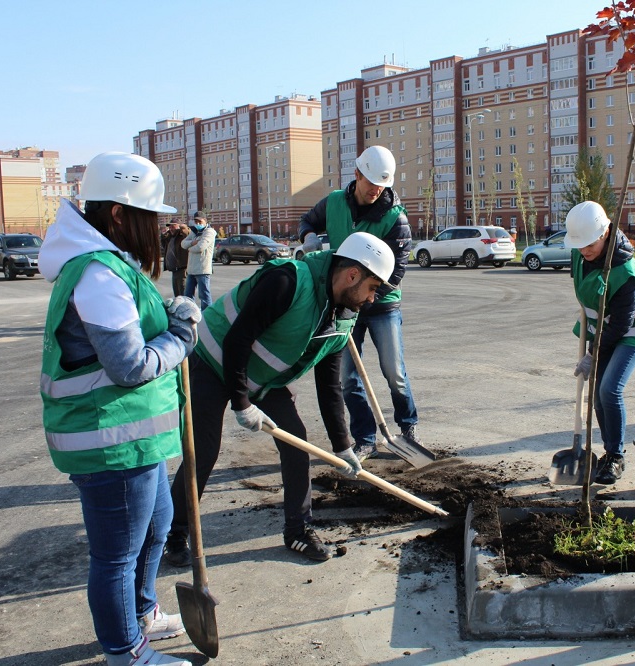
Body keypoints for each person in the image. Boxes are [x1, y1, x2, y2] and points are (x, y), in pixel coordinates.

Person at [38, 152, 199, 666]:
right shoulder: (97, 274)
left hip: (134, 437)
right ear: (117, 214)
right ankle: (127, 653)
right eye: (151, 218)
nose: (158, 229)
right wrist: (182, 334)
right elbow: (130, 366)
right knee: (115, 555)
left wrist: (169, 313)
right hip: (108, 441)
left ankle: (142, 614)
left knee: (158, 525)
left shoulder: (110, 263)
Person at [163, 232, 395, 568]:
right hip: (212, 360)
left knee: (296, 441)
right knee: (204, 449)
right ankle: (175, 531)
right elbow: (237, 340)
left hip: (263, 378)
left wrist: (342, 445)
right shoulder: (286, 280)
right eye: (373, 287)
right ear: (352, 275)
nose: (373, 298)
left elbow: (329, 384)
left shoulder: (345, 314)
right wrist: (241, 403)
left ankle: (298, 530)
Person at [298, 145, 421, 461]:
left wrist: (366, 298)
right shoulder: (335, 203)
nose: (376, 191)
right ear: (357, 175)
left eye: (382, 186)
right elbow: (307, 221)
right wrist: (309, 237)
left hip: (383, 306)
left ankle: (408, 430)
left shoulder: (395, 218)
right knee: (346, 377)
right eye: (371, 184)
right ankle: (365, 438)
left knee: (394, 372)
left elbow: (398, 269)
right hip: (344, 306)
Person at [563, 201, 635, 485]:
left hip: (632, 331)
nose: (585, 250)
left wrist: (593, 353)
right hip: (603, 329)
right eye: (580, 245)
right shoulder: (579, 254)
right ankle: (608, 452)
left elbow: (620, 326)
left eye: (590, 243)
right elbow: (585, 293)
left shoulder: (624, 271)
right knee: (597, 397)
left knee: (610, 390)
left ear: (606, 233)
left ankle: (616, 456)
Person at [182, 211, 215, 309]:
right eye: (195, 221)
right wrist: (192, 242)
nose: (197, 224)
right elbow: (183, 243)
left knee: (204, 295)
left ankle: (207, 315)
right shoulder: (195, 232)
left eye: (199, 221)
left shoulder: (209, 232)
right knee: (187, 295)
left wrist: (189, 248)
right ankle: (188, 313)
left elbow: (200, 247)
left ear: (205, 220)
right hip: (191, 269)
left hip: (202, 269)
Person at [163, 219, 189, 297]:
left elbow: (187, 233)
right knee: (177, 294)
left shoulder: (182, 236)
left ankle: (185, 308)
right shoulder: (171, 237)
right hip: (174, 269)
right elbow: (163, 243)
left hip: (182, 268)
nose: (171, 228)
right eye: (170, 227)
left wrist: (182, 227)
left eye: (173, 226)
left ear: (178, 226)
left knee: (183, 293)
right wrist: (164, 233)